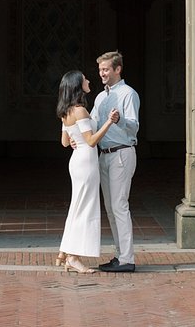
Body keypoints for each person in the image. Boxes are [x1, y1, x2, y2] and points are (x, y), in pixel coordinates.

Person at [55, 69, 119, 274]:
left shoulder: (66, 111)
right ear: (77, 85)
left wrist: (75, 139)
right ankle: (73, 257)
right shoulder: (80, 110)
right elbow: (91, 141)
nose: (89, 81)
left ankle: (65, 252)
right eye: (84, 80)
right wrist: (109, 122)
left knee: (77, 207)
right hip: (86, 162)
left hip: (78, 161)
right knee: (86, 209)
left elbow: (65, 142)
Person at [90, 50, 140, 273]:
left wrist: (119, 121)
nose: (102, 73)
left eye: (106, 69)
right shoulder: (100, 97)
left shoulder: (128, 94)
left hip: (122, 153)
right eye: (100, 69)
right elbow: (91, 124)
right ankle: (120, 255)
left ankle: (127, 258)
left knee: (120, 206)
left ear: (117, 69)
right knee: (110, 208)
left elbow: (134, 126)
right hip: (104, 155)